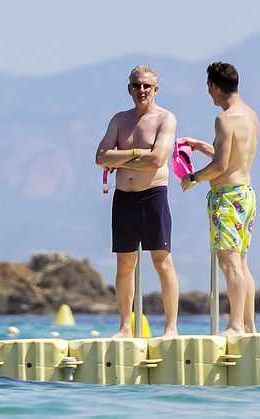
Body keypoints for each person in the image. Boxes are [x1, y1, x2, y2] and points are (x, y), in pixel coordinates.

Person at [95, 65, 179, 338]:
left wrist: (121, 156)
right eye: (136, 85)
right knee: (124, 263)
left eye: (146, 86)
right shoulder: (120, 120)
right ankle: (125, 327)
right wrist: (136, 152)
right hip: (124, 198)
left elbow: (158, 159)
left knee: (162, 261)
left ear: (155, 89)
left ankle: (170, 327)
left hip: (153, 194)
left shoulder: (166, 119)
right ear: (129, 88)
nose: (141, 90)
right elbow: (100, 158)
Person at [180, 62, 259, 335]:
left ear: (213, 86)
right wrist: (199, 145)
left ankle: (236, 325)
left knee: (228, 262)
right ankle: (248, 325)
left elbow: (221, 166)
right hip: (246, 194)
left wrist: (193, 179)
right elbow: (232, 154)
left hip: (226, 197)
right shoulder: (250, 115)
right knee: (241, 262)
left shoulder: (224, 119)